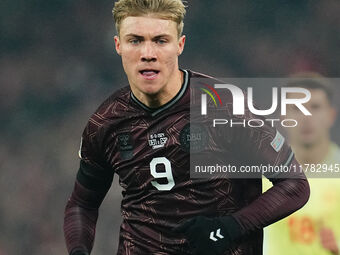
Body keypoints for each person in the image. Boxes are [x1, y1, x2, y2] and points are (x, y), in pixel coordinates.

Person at [63, 1, 310, 254]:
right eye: (135, 40)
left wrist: (229, 227)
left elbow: (294, 185)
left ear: (179, 45)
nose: (148, 53)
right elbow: (82, 204)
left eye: (160, 40)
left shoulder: (226, 105)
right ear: (118, 46)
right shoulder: (106, 122)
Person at [264, 74, 340, 255]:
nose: (306, 116)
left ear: (331, 115)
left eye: (315, 107)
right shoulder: (260, 173)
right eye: (297, 108)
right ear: (283, 116)